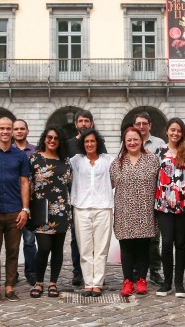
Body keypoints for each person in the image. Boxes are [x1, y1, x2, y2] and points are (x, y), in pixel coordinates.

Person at [0, 116, 30, 302]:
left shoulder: (20, 155)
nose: (5, 131)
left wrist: (25, 209)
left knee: (13, 251)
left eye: (8, 128)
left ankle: (10, 287)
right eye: (1, 128)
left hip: (14, 210)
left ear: (12, 131)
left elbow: (24, 183)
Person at [111, 126, 159, 297]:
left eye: (135, 139)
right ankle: (127, 281)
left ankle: (141, 280)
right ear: (124, 142)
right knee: (126, 247)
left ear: (141, 140)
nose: (132, 142)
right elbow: (110, 184)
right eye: (129, 140)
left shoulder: (152, 159)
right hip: (124, 210)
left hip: (145, 210)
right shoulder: (117, 163)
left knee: (143, 247)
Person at [27, 126, 73, 299]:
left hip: (61, 209)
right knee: (44, 248)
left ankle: (53, 283)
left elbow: (69, 184)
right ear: (44, 139)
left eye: (56, 138)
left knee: (57, 249)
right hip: (41, 208)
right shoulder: (34, 159)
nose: (52, 141)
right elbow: (27, 184)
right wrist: (26, 207)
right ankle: (39, 282)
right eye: (49, 137)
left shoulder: (65, 161)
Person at [153, 118, 185, 297]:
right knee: (166, 243)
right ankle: (167, 282)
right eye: (172, 130)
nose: (175, 133)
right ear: (167, 131)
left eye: (178, 130)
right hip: (164, 203)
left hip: (184, 203)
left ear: (182, 132)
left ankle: (179, 283)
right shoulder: (159, 151)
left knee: (180, 243)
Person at [70, 129, 114, 297]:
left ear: (98, 142)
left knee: (101, 248)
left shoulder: (108, 160)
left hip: (103, 207)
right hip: (81, 208)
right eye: (86, 141)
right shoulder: (76, 161)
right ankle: (88, 283)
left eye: (92, 141)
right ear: (83, 144)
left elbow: (117, 176)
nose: (89, 144)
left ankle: (97, 284)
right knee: (85, 248)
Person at [66, 109, 107, 288]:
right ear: (76, 123)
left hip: (98, 201)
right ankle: (80, 273)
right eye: (80, 121)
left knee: (98, 243)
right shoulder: (70, 147)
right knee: (78, 240)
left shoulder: (101, 147)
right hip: (76, 199)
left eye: (86, 121)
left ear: (91, 123)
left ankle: (97, 277)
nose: (83, 124)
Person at [133, 112, 165, 286]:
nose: (141, 126)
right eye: (138, 123)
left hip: (153, 195)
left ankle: (154, 269)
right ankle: (136, 268)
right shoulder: (129, 141)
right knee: (134, 234)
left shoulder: (159, 143)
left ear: (150, 125)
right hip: (134, 197)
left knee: (153, 236)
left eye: (144, 123)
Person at [12, 119, 38, 287]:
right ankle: (12, 273)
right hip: (12, 200)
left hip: (31, 202)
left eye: (22, 129)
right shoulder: (7, 151)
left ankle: (31, 272)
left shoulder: (36, 151)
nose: (19, 131)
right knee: (12, 242)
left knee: (29, 241)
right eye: (16, 129)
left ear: (27, 131)